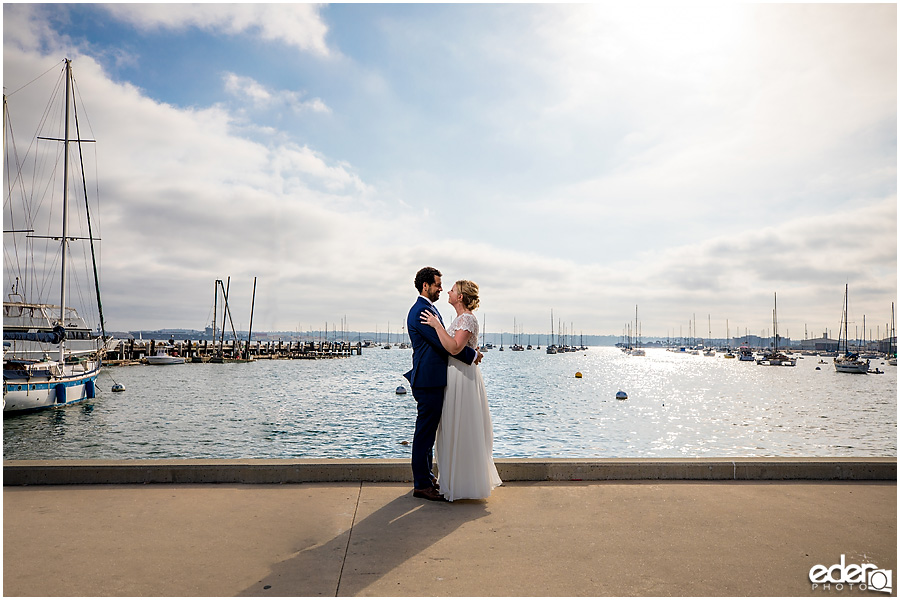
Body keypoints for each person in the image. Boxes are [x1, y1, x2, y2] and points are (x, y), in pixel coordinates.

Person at [420, 279, 502, 502]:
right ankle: (453, 482)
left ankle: (463, 485)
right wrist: (473, 353)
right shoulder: (460, 318)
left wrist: (437, 326)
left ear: (461, 297)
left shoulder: (466, 318)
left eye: (453, 290)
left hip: (461, 378)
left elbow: (455, 347)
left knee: (461, 427)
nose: (448, 291)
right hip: (455, 374)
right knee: (452, 428)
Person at [404, 267, 481, 501]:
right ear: (425, 285)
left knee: (428, 434)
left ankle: (427, 478)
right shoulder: (421, 312)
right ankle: (421, 485)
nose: (441, 288)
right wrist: (471, 355)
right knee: (425, 435)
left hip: (433, 379)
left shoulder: (430, 309)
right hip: (427, 381)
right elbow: (443, 345)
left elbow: (446, 341)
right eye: (437, 284)